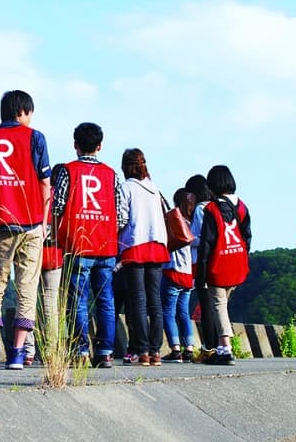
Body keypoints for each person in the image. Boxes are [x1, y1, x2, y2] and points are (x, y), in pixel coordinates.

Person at [0, 90, 51, 370]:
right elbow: (45, 183)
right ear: (22, 111)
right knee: (26, 289)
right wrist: (44, 223)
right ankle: (17, 353)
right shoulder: (36, 138)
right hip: (31, 223)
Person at [54, 123, 126, 368]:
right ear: (100, 146)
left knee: (77, 301)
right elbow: (121, 215)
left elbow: (57, 207)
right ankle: (105, 352)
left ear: (75, 145)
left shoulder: (68, 171)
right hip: (106, 246)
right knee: (106, 300)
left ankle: (80, 351)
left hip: (78, 245)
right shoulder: (111, 174)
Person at [117, 148, 168, 366]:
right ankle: (156, 350)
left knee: (137, 299)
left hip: (135, 245)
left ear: (125, 167)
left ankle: (142, 350)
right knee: (155, 300)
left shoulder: (126, 187)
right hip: (157, 245)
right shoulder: (154, 188)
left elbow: (121, 218)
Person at [196, 165, 251, 366]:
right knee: (223, 305)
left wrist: (201, 274)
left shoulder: (211, 209)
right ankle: (221, 347)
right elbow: (247, 236)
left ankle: (225, 349)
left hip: (218, 264)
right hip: (237, 262)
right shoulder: (242, 207)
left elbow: (206, 244)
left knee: (218, 305)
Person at [23, 163, 64, 366]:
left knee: (27, 299)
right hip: (54, 253)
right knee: (51, 303)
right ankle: (50, 350)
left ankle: (28, 350)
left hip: (31, 251)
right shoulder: (60, 197)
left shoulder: (32, 193)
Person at [160, 188, 196, 363]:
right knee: (184, 313)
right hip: (188, 275)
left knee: (168, 312)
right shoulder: (190, 224)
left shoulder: (172, 221)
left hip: (173, 271)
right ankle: (189, 348)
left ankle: (175, 350)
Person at [185, 174, 216, 363]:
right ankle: (219, 346)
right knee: (215, 306)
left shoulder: (199, 209)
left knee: (205, 306)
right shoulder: (214, 207)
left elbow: (201, 238)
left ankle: (208, 348)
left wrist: (186, 238)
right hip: (216, 262)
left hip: (201, 262)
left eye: (189, 193)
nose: (188, 197)